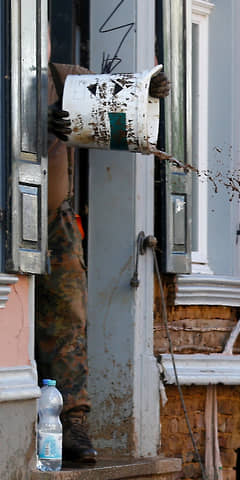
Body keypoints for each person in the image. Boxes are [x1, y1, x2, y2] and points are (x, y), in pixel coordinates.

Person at [41, 57, 169, 463]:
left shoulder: (62, 77)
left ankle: (69, 423)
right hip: (10, 214)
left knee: (69, 315)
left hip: (54, 219)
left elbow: (123, 99)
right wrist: (29, 123)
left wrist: (150, 90)